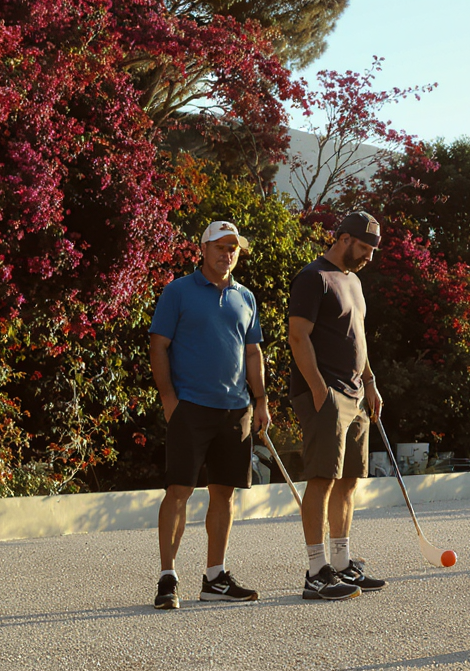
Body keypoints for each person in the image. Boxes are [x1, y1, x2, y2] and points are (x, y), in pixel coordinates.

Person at [149, 220, 270, 610]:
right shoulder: (178, 291)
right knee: (179, 491)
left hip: (236, 410)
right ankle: (168, 578)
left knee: (225, 494)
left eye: (233, 247)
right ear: (203, 249)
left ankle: (214, 577)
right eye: (220, 246)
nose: (227, 253)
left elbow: (253, 353)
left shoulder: (245, 297)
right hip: (191, 407)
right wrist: (170, 399)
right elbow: (158, 345)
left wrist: (262, 400)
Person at [287, 212, 389, 601]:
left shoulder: (355, 282)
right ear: (343, 239)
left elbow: (356, 338)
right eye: (364, 248)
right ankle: (316, 572)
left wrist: (370, 381)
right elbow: (298, 337)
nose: (369, 257)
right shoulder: (312, 278)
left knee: (348, 482)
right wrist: (319, 390)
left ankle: (342, 564)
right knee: (322, 480)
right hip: (326, 395)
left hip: (357, 395)